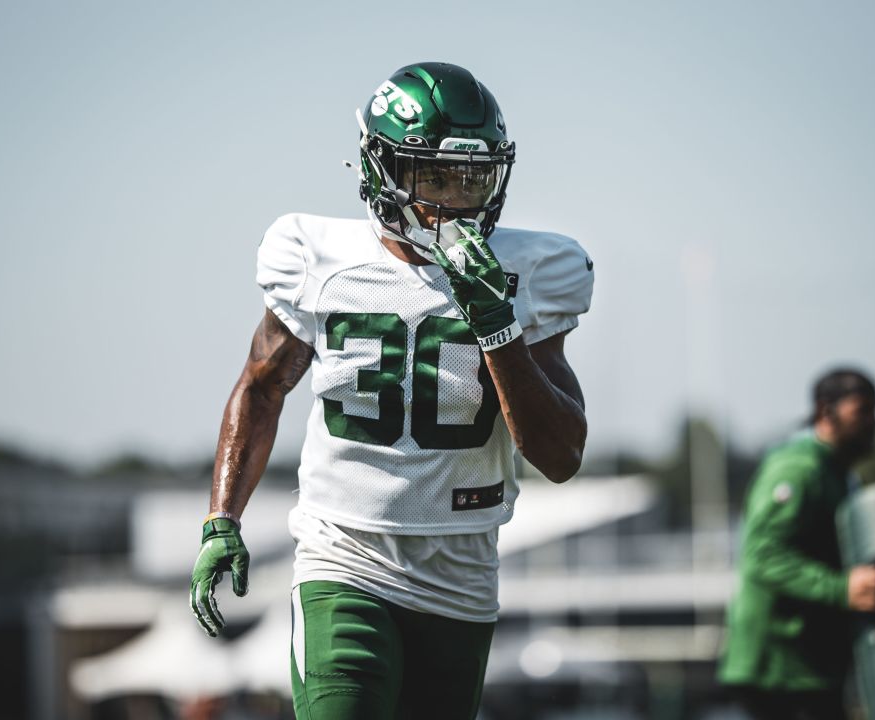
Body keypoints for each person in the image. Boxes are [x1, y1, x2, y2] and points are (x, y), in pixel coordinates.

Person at [188, 62, 594, 719]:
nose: (459, 201)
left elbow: (560, 456)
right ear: (383, 171)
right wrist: (220, 517)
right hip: (343, 556)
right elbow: (262, 389)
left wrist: (498, 324)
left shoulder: (532, 272)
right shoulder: (318, 258)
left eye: (476, 178)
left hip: (459, 572)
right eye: (436, 176)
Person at [717, 368, 875, 720]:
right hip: (779, 669)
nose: (874, 424)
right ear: (827, 412)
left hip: (813, 665)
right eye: (863, 411)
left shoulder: (840, 474)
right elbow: (763, 555)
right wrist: (843, 590)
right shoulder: (798, 469)